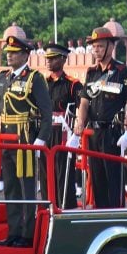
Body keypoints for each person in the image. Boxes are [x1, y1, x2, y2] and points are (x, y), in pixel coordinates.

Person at [0, 34, 53, 247]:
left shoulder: (34, 79)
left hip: (25, 138)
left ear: (25, 55)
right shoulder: (2, 78)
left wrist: (40, 140)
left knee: (26, 188)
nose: (9, 57)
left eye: (14, 53)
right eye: (8, 53)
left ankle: (27, 234)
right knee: (11, 188)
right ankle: (14, 231)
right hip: (5, 139)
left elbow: (46, 112)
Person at [71, 26, 127, 209]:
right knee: (97, 178)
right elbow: (84, 103)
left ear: (110, 46)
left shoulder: (122, 72)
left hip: (113, 133)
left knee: (113, 179)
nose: (96, 50)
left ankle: (115, 216)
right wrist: (78, 128)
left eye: (100, 46)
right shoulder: (91, 73)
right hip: (93, 133)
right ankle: (101, 214)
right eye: (94, 47)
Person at [43, 43, 82, 209]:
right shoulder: (43, 83)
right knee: (45, 174)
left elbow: (84, 108)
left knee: (63, 174)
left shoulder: (72, 84)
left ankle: (65, 209)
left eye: (52, 59)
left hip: (64, 133)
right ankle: (46, 210)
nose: (48, 62)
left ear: (63, 59)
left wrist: (77, 135)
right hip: (45, 132)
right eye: (47, 59)